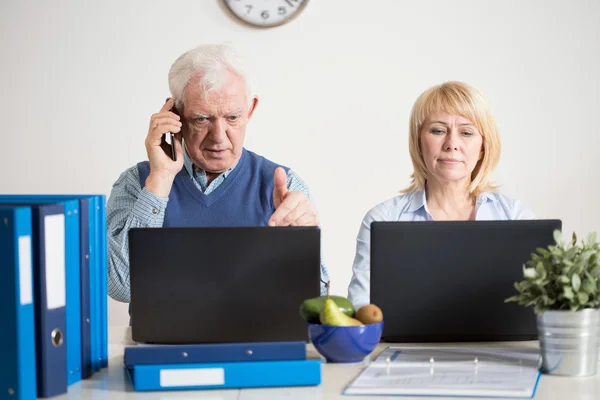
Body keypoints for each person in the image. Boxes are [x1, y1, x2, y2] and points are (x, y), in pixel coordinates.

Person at [107, 43, 329, 304]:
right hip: (161, 345)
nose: (219, 137)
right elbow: (121, 287)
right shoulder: (137, 183)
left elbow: (316, 300)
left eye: (233, 117)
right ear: (174, 114)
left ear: (250, 109)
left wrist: (300, 247)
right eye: (202, 119)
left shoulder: (286, 185)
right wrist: (161, 178)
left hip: (256, 342)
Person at [347, 81, 535, 309]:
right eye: (438, 131)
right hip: (407, 345)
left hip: (499, 346)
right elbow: (360, 305)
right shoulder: (383, 219)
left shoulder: (516, 218)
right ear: (418, 142)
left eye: (466, 132)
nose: (452, 144)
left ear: (483, 147)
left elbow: (542, 305)